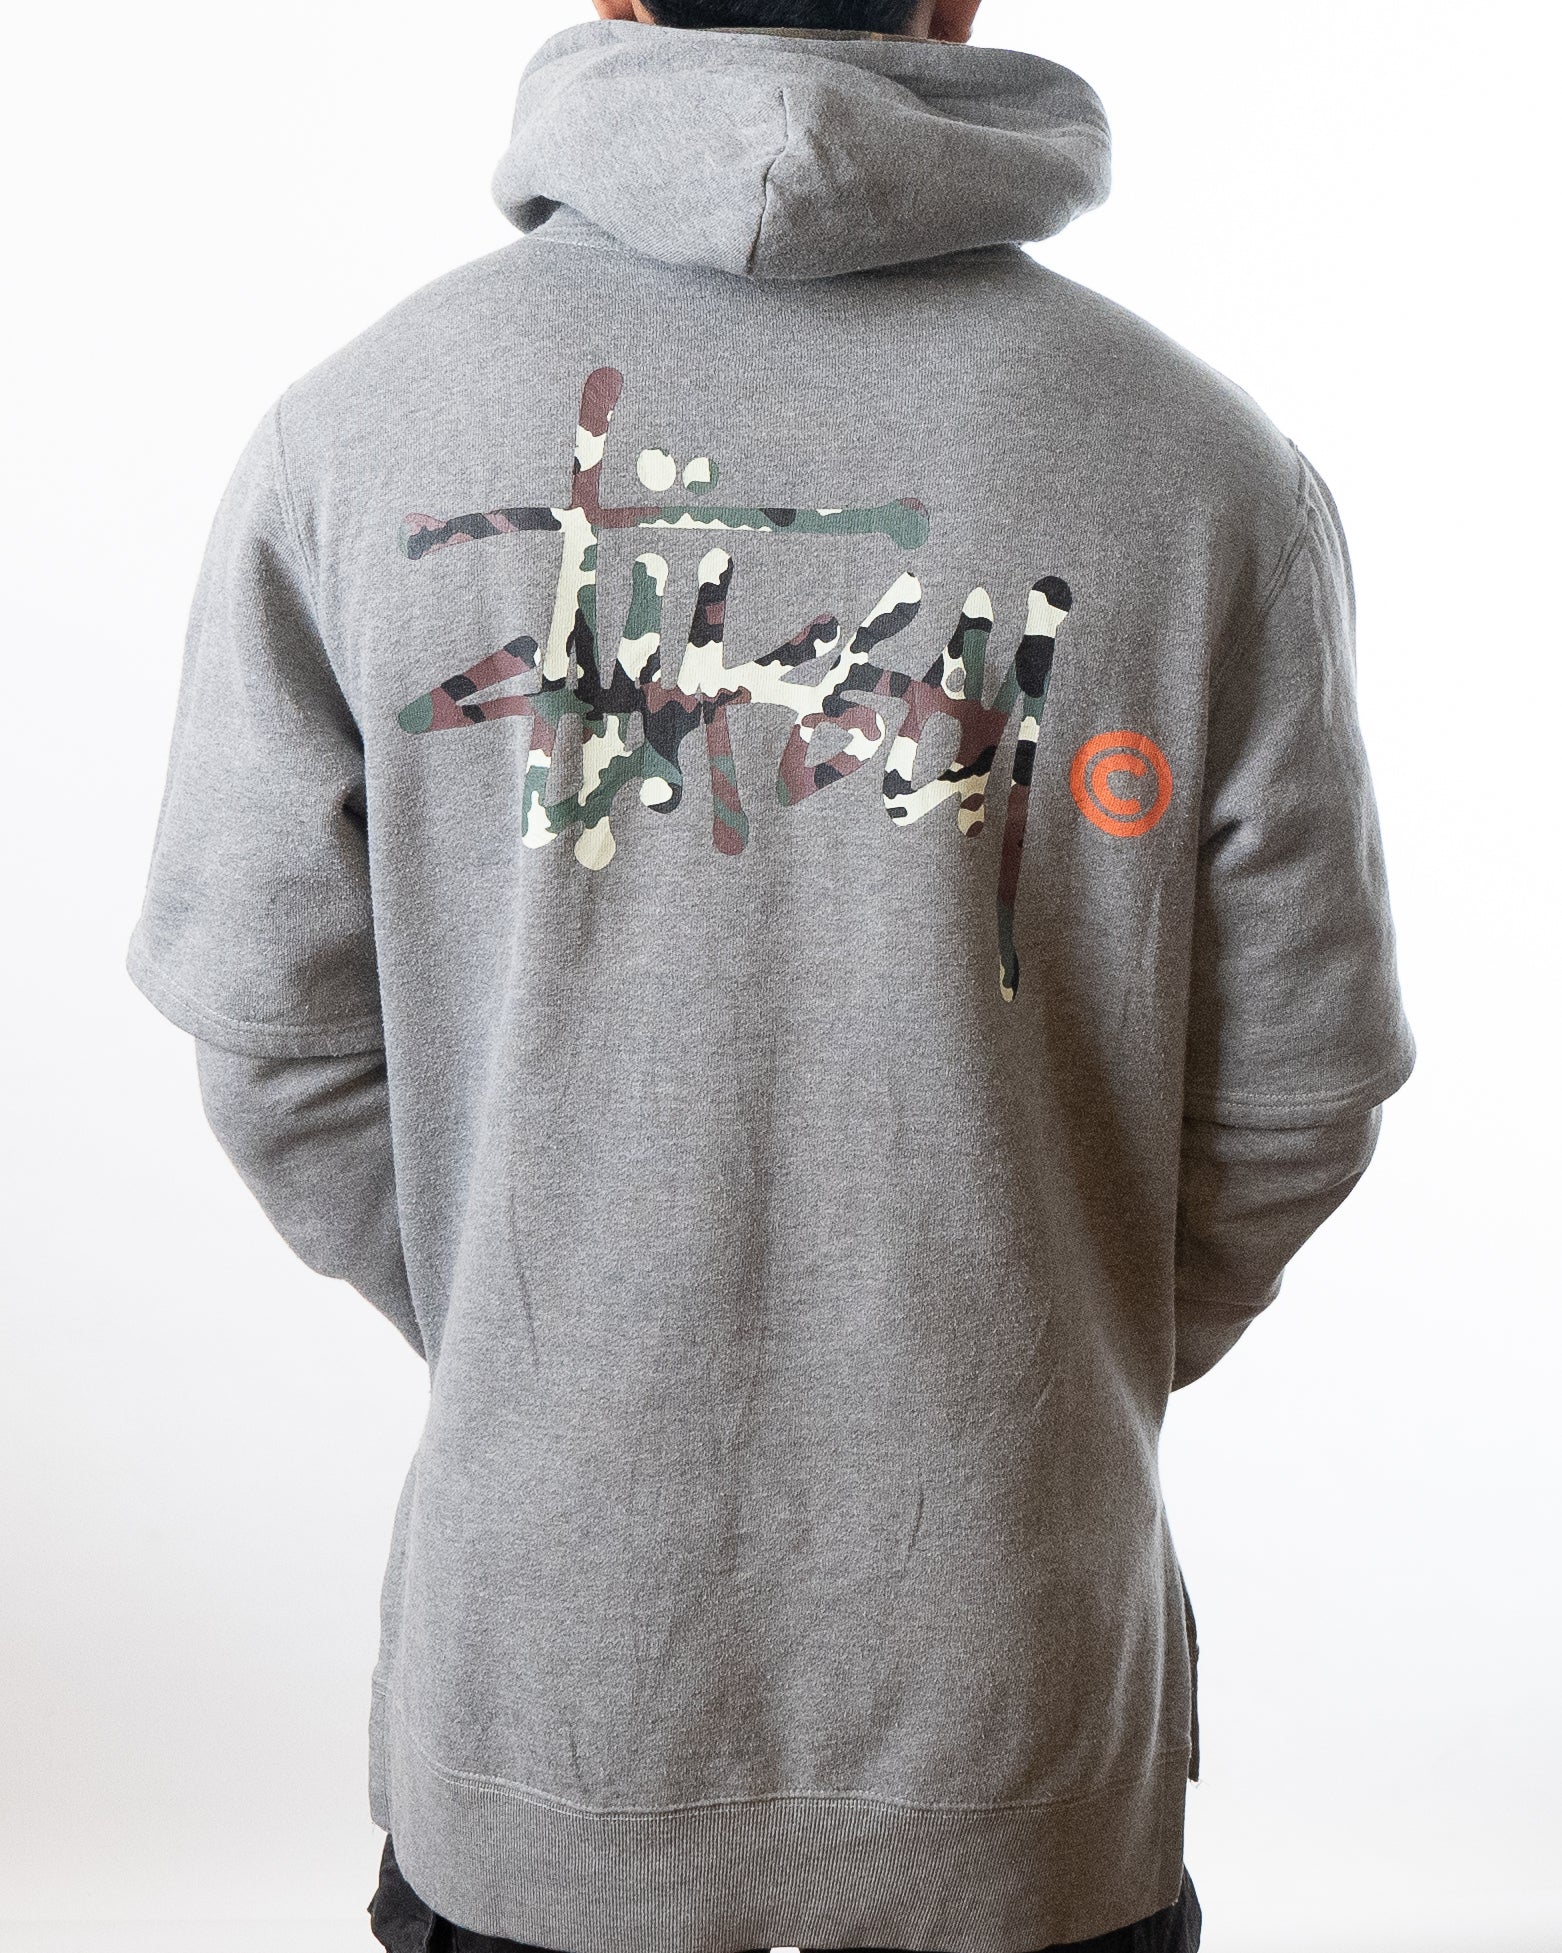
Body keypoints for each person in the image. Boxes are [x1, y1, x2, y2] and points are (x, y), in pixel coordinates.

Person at [128, 0, 1414, 1947]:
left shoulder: (352, 436)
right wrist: (1035, 1341)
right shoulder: (1206, 469)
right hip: (1017, 1682)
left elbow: (274, 1047)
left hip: (554, 1676)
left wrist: (544, 1320)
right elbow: (1295, 1092)